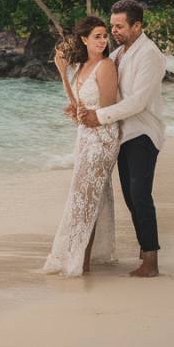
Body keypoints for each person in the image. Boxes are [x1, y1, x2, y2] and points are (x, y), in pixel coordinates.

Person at [78, 0, 166, 278]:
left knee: (140, 194)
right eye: (112, 25)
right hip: (123, 134)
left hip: (143, 132)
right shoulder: (120, 54)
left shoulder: (149, 55)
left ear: (137, 25)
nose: (114, 31)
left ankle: (151, 261)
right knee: (130, 195)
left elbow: (138, 102)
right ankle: (144, 250)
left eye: (119, 26)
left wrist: (99, 117)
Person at [42, 15, 121, 277]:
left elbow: (108, 108)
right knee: (88, 198)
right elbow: (76, 104)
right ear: (85, 40)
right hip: (84, 137)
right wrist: (62, 73)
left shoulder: (106, 66)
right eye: (96, 36)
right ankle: (83, 258)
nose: (102, 40)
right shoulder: (82, 67)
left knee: (84, 197)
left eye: (104, 35)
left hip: (103, 138)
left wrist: (87, 115)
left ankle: (79, 261)